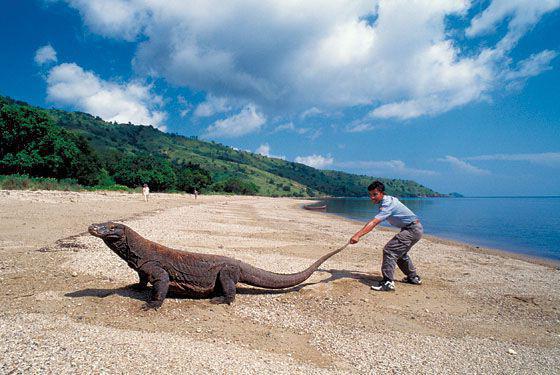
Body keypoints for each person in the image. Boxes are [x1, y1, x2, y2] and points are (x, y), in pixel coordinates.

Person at [349, 180, 423, 292]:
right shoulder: (386, 201)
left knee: (390, 250)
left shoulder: (388, 204)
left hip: (412, 229)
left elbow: (374, 222)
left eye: (375, 194)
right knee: (400, 253)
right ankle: (413, 278)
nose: (372, 197)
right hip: (413, 228)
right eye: (370, 195)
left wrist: (357, 235)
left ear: (382, 193)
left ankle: (388, 282)